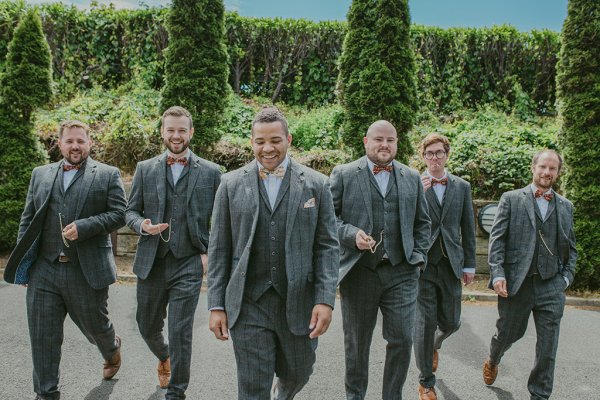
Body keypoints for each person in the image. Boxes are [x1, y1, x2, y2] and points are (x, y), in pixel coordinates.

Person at [207, 107, 339, 399]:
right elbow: (218, 249)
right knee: (253, 386)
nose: (268, 148)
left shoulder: (317, 184)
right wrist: (216, 304)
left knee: (299, 372)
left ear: (289, 139)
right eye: (260, 141)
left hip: (299, 300)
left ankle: (284, 391)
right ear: (251, 142)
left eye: (275, 140)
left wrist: (324, 299)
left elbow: (328, 246)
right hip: (248, 301)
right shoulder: (229, 184)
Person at [4, 120, 127, 400]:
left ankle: (111, 348)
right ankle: (46, 393)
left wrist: (85, 227)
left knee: (97, 326)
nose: (75, 146)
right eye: (69, 141)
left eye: (80, 141)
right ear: (59, 144)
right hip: (44, 270)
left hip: (85, 270)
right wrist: (25, 265)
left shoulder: (107, 174)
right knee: (43, 337)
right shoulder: (40, 174)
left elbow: (120, 213)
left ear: (89, 143)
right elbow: (28, 220)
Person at [330, 120, 431, 400]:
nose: (385, 145)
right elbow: (327, 220)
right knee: (357, 344)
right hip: (360, 272)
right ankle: (355, 396)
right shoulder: (344, 174)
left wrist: (418, 257)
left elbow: (423, 223)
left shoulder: (411, 177)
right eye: (378, 139)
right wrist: (351, 235)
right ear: (366, 141)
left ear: (397, 143)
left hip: (402, 272)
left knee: (402, 340)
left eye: (390, 140)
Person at [125, 106, 221, 399]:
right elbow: (130, 211)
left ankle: (176, 392)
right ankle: (165, 356)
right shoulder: (145, 168)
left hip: (189, 262)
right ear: (162, 132)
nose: (176, 136)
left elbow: (222, 220)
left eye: (182, 130)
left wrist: (207, 255)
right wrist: (142, 224)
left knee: (181, 330)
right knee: (145, 324)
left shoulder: (211, 171)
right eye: (171, 130)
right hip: (152, 261)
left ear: (191, 132)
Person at [483, 149, 577, 400]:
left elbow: (571, 249)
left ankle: (539, 394)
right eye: (543, 167)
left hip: (551, 285)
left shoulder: (566, 207)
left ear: (558, 172)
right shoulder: (511, 199)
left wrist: (565, 278)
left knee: (548, 347)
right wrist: (498, 273)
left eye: (552, 169)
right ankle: (493, 358)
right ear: (533, 167)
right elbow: (497, 240)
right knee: (507, 334)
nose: (547, 172)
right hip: (517, 283)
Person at [413, 133, 477, 400]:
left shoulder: (462, 186)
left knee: (452, 322)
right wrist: (419, 193)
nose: (435, 158)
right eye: (429, 154)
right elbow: (404, 218)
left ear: (447, 154)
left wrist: (470, 265)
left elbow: (467, 227)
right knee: (425, 323)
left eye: (439, 153)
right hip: (423, 264)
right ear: (423, 157)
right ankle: (426, 381)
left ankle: (433, 346)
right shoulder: (414, 183)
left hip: (451, 262)